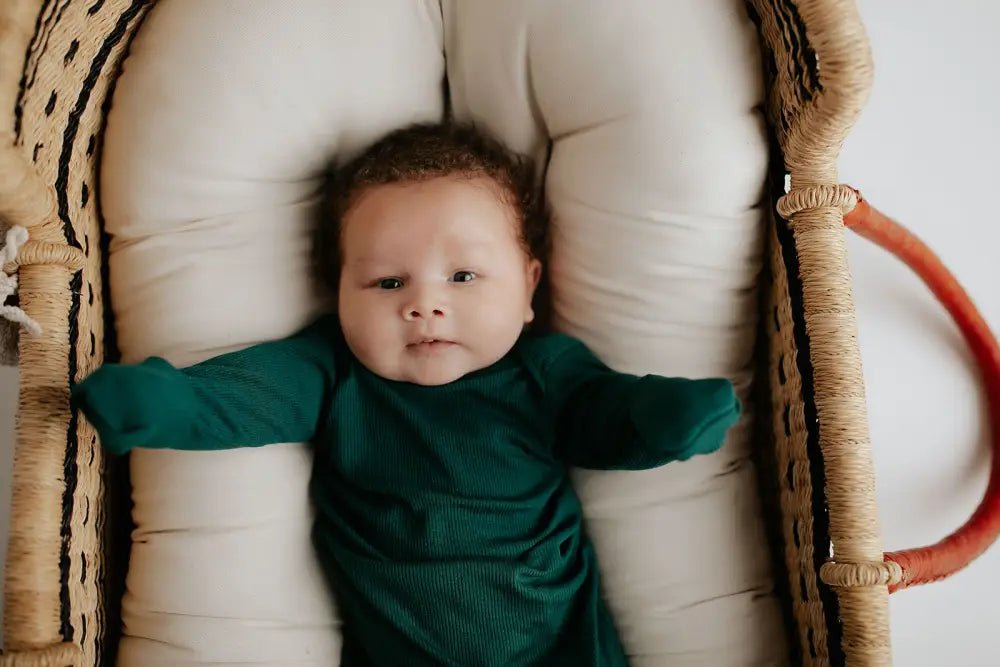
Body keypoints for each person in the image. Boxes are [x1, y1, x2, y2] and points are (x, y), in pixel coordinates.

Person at [72, 122, 741, 667]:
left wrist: (662, 415)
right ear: (339, 292)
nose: (425, 304)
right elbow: (247, 395)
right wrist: (167, 401)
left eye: (463, 276)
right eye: (388, 282)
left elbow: (605, 416)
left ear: (529, 287)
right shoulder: (333, 373)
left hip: (561, 647)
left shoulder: (542, 375)